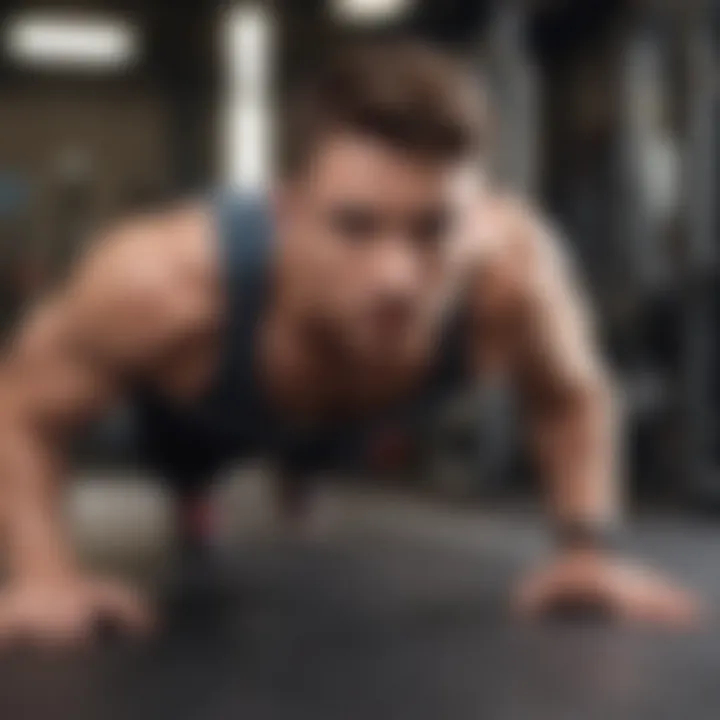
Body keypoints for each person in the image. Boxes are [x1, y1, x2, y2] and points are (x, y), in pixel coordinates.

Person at [0, 41, 700, 645]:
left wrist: (586, 551)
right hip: (204, 413)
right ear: (287, 210)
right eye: (355, 226)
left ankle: (301, 471)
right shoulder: (160, 281)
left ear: (478, 210)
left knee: (328, 439)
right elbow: (22, 410)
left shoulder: (514, 269)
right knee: (191, 469)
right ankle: (198, 490)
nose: (397, 277)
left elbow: (571, 396)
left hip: (361, 415)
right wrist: (43, 574)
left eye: (433, 230)